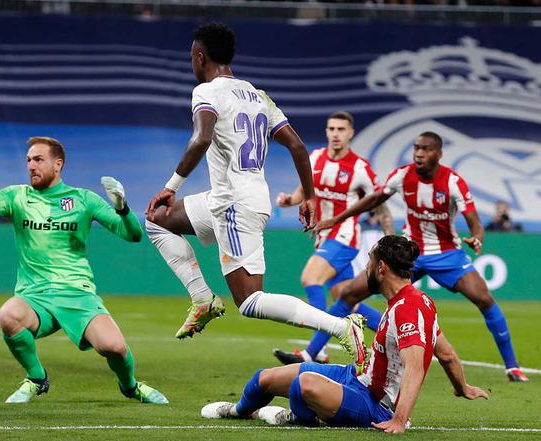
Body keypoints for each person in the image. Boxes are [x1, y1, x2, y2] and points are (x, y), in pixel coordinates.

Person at [144, 22, 367, 371]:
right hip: (231, 198)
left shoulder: (207, 92)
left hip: (234, 205)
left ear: (200, 57)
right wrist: (309, 195)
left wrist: (171, 187)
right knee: (157, 221)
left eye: (192, 57)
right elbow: (296, 144)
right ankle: (202, 299)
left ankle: (341, 326)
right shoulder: (257, 94)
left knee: (249, 301)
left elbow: (201, 139)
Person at [0, 121, 168, 404]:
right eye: (28, 160)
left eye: (38, 159)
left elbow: (133, 235)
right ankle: (37, 378)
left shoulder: (83, 199)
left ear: (58, 164)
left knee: (115, 348)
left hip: (78, 294)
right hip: (34, 295)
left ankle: (131, 387)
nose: (31, 166)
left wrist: (123, 208)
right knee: (7, 316)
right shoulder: (17, 197)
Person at [201, 236, 489, 433]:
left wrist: (400, 420)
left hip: (377, 405)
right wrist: (462, 388)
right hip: (356, 378)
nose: (365, 269)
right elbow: (447, 355)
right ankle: (240, 411)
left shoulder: (409, 309)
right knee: (265, 378)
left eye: (368, 263)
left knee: (305, 385)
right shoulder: (411, 302)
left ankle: (299, 419)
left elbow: (414, 368)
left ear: (381, 268)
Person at [303, 131, 528, 382]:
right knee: (348, 293)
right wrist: (337, 218)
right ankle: (311, 352)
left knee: (484, 299)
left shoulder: (453, 182)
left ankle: (512, 367)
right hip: (410, 253)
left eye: (427, 149)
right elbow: (375, 198)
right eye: (417, 148)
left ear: (438, 154)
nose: (419, 153)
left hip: (447, 254)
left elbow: (475, 223)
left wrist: (477, 238)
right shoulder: (402, 175)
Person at [273, 111, 393, 364]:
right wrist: (288, 201)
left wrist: (390, 237)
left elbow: (381, 204)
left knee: (310, 278)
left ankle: (316, 351)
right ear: (326, 132)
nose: (335, 134)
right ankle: (394, 331)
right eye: (331, 129)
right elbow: (304, 192)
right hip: (324, 237)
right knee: (348, 301)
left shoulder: (360, 169)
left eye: (341, 129)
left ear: (351, 133)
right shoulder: (315, 158)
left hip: (345, 237)